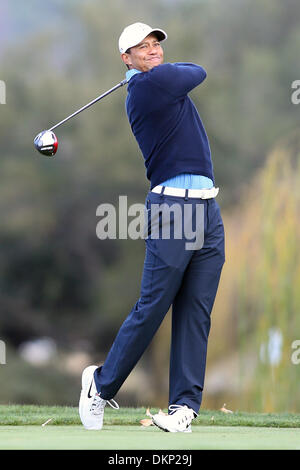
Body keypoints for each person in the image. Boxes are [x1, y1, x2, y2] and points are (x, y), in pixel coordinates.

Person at [79, 22, 225, 433]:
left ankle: (183, 407)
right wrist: (151, 71)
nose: (153, 50)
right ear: (126, 59)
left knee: (195, 310)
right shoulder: (145, 88)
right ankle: (100, 384)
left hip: (207, 209)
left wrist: (154, 67)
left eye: (156, 44)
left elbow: (189, 72)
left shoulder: (157, 82)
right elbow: (198, 70)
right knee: (154, 304)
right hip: (173, 209)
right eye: (141, 48)